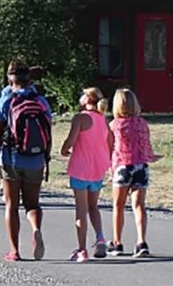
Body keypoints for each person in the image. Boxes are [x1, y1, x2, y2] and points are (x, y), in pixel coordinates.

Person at [0, 59, 54, 262]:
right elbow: (48, 131)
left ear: (10, 77)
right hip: (35, 159)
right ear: (29, 77)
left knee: (11, 205)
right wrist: (45, 157)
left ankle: (14, 251)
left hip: (11, 158)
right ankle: (36, 229)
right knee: (32, 204)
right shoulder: (41, 101)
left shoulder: (5, 101)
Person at [109, 88, 161, 258]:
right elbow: (145, 146)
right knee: (139, 205)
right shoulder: (142, 124)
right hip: (141, 166)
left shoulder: (114, 125)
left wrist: (110, 169)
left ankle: (117, 242)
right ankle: (141, 241)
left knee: (119, 206)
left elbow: (110, 148)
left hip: (123, 166)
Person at [61, 87, 111, 262]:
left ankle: (82, 249)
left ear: (87, 99)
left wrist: (64, 149)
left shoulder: (80, 118)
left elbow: (71, 139)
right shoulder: (102, 119)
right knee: (94, 207)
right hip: (97, 170)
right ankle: (100, 238)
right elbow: (110, 142)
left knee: (81, 210)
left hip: (80, 169)